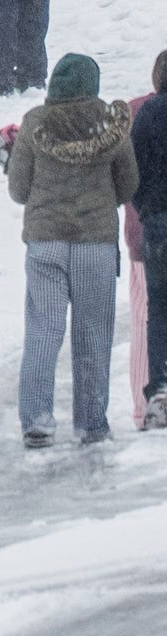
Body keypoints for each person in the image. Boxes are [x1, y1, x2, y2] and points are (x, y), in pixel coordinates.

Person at [6, 53, 139, 447]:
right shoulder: (111, 125)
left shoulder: (34, 124)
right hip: (94, 243)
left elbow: (18, 189)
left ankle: (37, 419)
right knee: (93, 333)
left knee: (43, 331)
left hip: (45, 241)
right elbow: (128, 185)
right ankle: (92, 422)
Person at [130, 52, 167, 427]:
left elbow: (132, 172)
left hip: (159, 224)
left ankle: (160, 391)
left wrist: (147, 209)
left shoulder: (149, 112)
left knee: (159, 310)